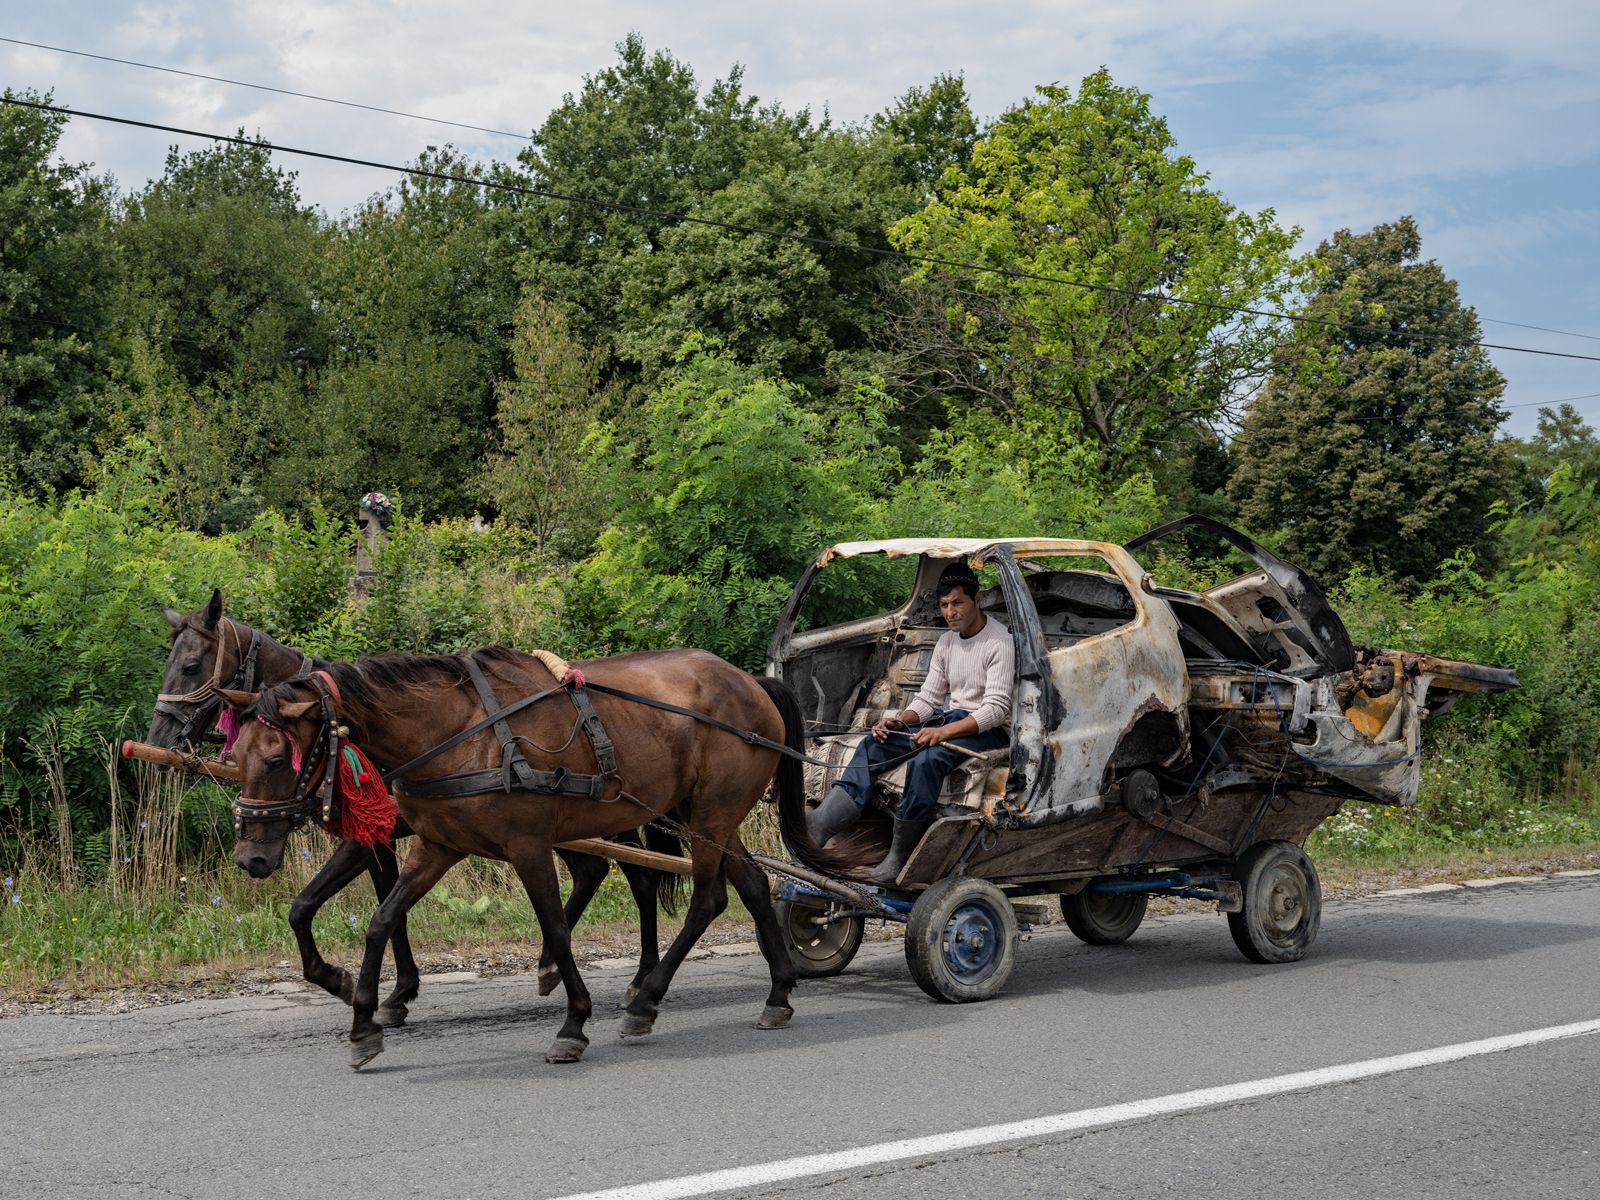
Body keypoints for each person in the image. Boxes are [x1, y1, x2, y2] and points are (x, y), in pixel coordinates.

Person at [808, 561, 1015, 886]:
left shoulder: (999, 642)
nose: (951, 612)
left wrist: (942, 731)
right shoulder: (947, 642)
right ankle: (821, 824)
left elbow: (996, 709)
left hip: (988, 732)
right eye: (944, 605)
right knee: (875, 743)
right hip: (953, 720)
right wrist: (900, 722)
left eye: (957, 603)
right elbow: (929, 699)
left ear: (977, 600)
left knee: (926, 762)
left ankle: (900, 855)